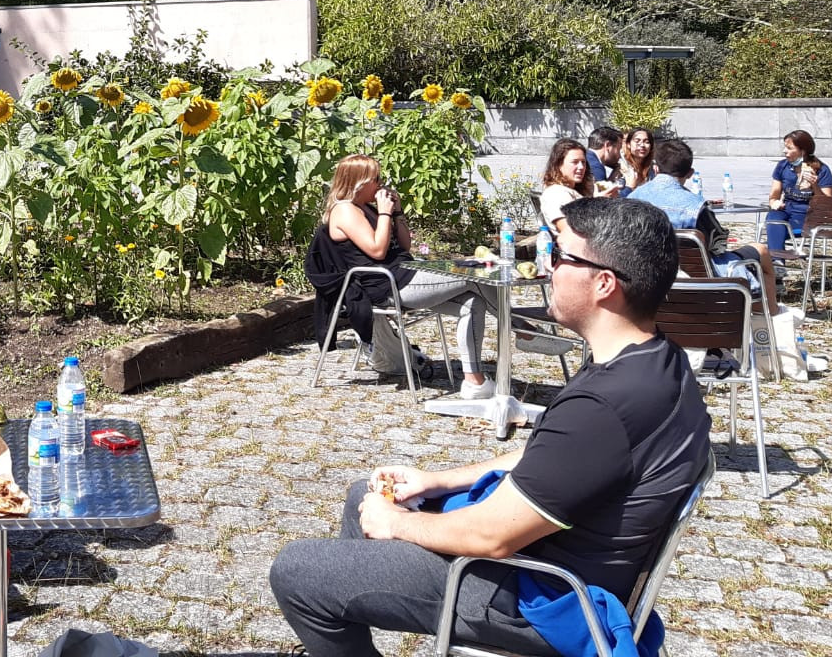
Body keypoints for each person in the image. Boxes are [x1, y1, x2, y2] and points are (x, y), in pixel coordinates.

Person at [271, 197, 711, 657]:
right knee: (366, 495)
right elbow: (553, 459)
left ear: (603, 284)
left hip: (534, 596)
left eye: (560, 257)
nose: (548, 269)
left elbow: (491, 537)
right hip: (549, 563)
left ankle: (338, 607)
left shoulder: (605, 405)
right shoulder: (657, 361)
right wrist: (436, 481)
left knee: (297, 571)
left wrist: (399, 525)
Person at [306, 154, 496, 398]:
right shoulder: (345, 211)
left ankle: (474, 381)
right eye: (376, 179)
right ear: (358, 183)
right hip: (387, 284)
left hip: (404, 272)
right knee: (474, 276)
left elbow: (404, 247)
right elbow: (377, 249)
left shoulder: (366, 208)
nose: (381, 184)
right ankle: (523, 329)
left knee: (473, 302)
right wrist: (384, 214)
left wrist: (396, 212)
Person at [631, 138, 783, 310]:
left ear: (655, 168)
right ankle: (769, 315)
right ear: (690, 173)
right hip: (699, 275)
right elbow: (718, 246)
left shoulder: (632, 198)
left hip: (646, 273)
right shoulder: (696, 205)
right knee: (760, 250)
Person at [765, 128, 832, 252]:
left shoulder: (822, 170)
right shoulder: (783, 166)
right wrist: (774, 202)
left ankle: (776, 260)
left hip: (808, 214)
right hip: (786, 210)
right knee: (773, 218)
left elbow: (827, 204)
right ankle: (777, 261)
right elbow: (774, 194)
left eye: (789, 148)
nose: (784, 151)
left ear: (802, 151)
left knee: (776, 232)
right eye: (785, 147)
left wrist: (815, 185)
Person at [537, 139, 592, 232]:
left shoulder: (574, 189)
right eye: (575, 162)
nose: (581, 167)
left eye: (583, 162)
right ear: (558, 164)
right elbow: (568, 231)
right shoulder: (556, 194)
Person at [584, 126, 623, 196]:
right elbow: (603, 200)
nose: (619, 156)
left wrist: (612, 177)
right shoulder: (596, 167)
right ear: (608, 145)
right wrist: (630, 186)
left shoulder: (587, 157)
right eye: (619, 149)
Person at [619, 127, 655, 192]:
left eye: (646, 142)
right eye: (637, 141)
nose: (642, 145)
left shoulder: (653, 167)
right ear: (628, 144)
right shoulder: (620, 166)